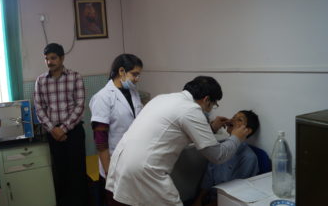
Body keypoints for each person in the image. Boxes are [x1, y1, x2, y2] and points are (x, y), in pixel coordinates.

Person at [105, 76, 251, 206]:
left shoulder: (163, 98)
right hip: (145, 169)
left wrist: (211, 128)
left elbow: (174, 131)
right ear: (206, 100)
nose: (211, 109)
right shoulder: (191, 109)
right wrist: (236, 138)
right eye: (213, 105)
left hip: (122, 161)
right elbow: (217, 155)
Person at [34, 43, 88, 206]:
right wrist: (53, 129)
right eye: (46, 59)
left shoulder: (75, 77)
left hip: (74, 132)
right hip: (53, 135)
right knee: (60, 174)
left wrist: (63, 129)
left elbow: (80, 106)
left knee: (77, 173)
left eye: (53, 58)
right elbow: (39, 107)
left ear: (62, 58)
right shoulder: (41, 80)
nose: (50, 62)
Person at [89, 54, 143, 205]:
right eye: (135, 74)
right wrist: (108, 171)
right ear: (121, 71)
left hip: (133, 161)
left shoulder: (134, 93)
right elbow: (100, 138)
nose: (137, 79)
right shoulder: (103, 97)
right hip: (114, 162)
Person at [192, 110, 260, 206]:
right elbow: (208, 177)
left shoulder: (249, 158)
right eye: (233, 117)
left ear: (247, 131)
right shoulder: (220, 147)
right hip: (209, 198)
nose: (232, 119)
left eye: (239, 119)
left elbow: (235, 192)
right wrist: (198, 200)